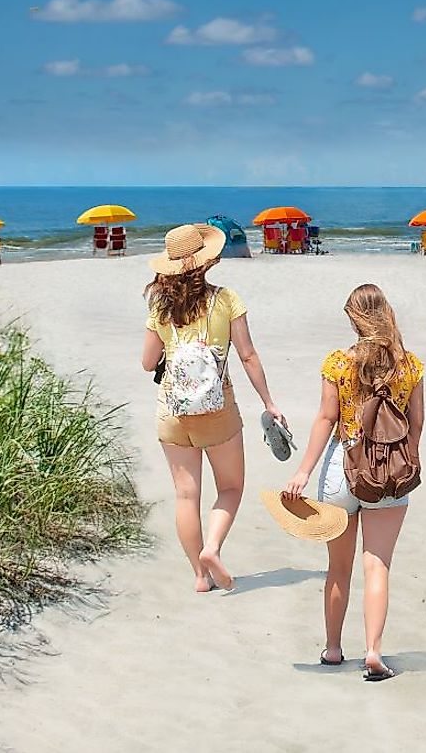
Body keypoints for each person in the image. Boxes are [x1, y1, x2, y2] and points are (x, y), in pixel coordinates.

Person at [282, 284, 423, 681]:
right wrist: (408, 459)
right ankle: (374, 651)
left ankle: (332, 648)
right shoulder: (409, 365)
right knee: (377, 566)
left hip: (341, 470)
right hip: (390, 474)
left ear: (352, 318)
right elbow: (417, 422)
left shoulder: (337, 363)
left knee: (338, 567)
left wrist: (303, 471)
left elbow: (326, 420)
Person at [141, 222, 286, 593]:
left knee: (186, 495)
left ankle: (199, 577)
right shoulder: (225, 299)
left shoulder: (160, 306)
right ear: (206, 261)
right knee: (231, 488)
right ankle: (213, 547)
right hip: (217, 408)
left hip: (172, 410)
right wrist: (269, 402)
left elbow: (146, 362)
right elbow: (249, 355)